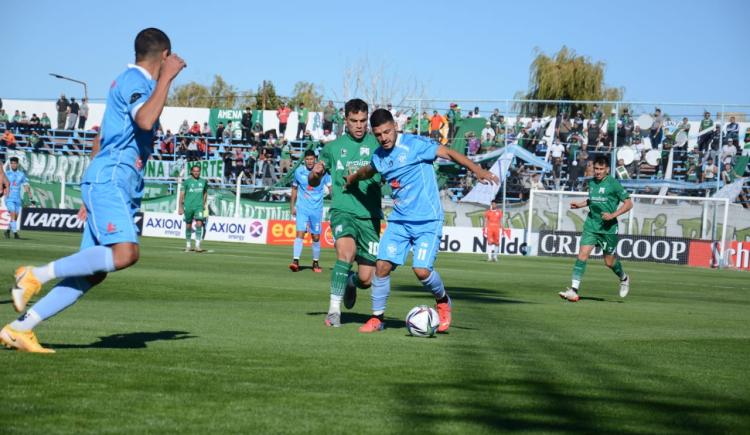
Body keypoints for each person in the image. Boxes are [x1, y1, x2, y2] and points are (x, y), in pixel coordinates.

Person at [0, 28, 186, 353]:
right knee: (126, 254)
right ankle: (34, 274)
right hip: (112, 178)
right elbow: (144, 120)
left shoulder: (131, 83)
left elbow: (101, 137)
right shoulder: (136, 82)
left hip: (110, 182)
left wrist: (91, 191)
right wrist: (167, 79)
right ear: (165, 55)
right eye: (169, 60)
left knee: (94, 273)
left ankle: (20, 328)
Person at [344, 108, 498, 333]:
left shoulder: (415, 145)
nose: (384, 138)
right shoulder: (379, 155)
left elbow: (449, 153)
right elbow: (369, 170)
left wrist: (476, 170)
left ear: (394, 126)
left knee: (422, 271)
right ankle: (378, 318)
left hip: (427, 220)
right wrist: (353, 178)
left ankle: (443, 300)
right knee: (382, 266)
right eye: (378, 134)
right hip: (399, 221)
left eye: (387, 132)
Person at [308, 98, 381, 328]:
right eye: (354, 121)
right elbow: (312, 179)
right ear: (345, 120)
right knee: (345, 255)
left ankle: (350, 281)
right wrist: (317, 173)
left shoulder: (379, 145)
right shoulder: (332, 148)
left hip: (370, 217)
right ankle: (333, 311)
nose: (359, 125)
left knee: (366, 279)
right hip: (343, 211)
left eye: (362, 121)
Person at [559, 156, 633, 303]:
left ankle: (624, 278)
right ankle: (573, 290)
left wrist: (613, 215)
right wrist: (581, 205)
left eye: (601, 169)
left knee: (609, 262)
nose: (597, 172)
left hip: (608, 229)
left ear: (607, 170)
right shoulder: (591, 182)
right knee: (582, 255)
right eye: (596, 169)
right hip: (591, 225)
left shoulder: (613, 184)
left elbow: (629, 203)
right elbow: (593, 199)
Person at [289, 150, 331, 273]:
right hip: (302, 207)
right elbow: (294, 189)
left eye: (312, 159)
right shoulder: (299, 171)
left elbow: (330, 187)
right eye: (307, 159)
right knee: (300, 233)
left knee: (316, 237)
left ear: (315, 159)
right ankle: (295, 261)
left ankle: (315, 263)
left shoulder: (323, 172)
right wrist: (292, 206)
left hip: (316, 209)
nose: (309, 161)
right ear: (304, 160)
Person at [179, 164, 208, 253]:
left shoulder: (203, 181)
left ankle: (197, 245)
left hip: (199, 206)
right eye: (194, 171)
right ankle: (188, 245)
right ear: (191, 172)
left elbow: (205, 193)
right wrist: (180, 207)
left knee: (199, 224)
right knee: (188, 225)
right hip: (188, 206)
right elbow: (182, 195)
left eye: (198, 171)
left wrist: (204, 203)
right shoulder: (186, 182)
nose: (196, 172)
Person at [3, 157, 32, 239]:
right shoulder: (7, 174)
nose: (13, 165)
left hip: (18, 198)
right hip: (9, 197)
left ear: (17, 164)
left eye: (15, 163)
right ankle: (15, 234)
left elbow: (25, 184)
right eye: (12, 163)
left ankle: (7, 231)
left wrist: (29, 194)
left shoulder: (21, 174)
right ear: (10, 164)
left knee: (15, 217)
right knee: (12, 213)